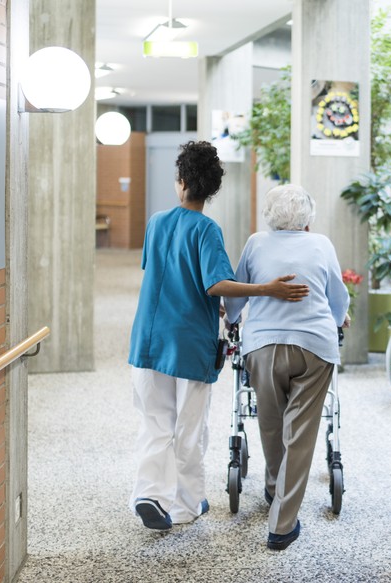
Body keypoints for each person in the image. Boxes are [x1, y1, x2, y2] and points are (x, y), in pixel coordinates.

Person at [127, 141, 310, 532]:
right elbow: (216, 285)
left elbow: (161, 272)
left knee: (155, 423)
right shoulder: (206, 229)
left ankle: (148, 494)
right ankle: (186, 505)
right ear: (211, 190)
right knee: (188, 428)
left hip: (147, 339)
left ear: (180, 183)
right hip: (189, 343)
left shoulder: (157, 222)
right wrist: (267, 289)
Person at [224, 184, 350, 551]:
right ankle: (281, 525)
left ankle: (271, 487)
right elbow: (337, 298)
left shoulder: (256, 243)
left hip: (263, 346)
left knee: (271, 422)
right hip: (313, 347)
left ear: (269, 214)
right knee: (300, 435)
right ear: (308, 217)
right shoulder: (322, 244)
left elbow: (239, 290)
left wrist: (233, 321)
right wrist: (338, 322)